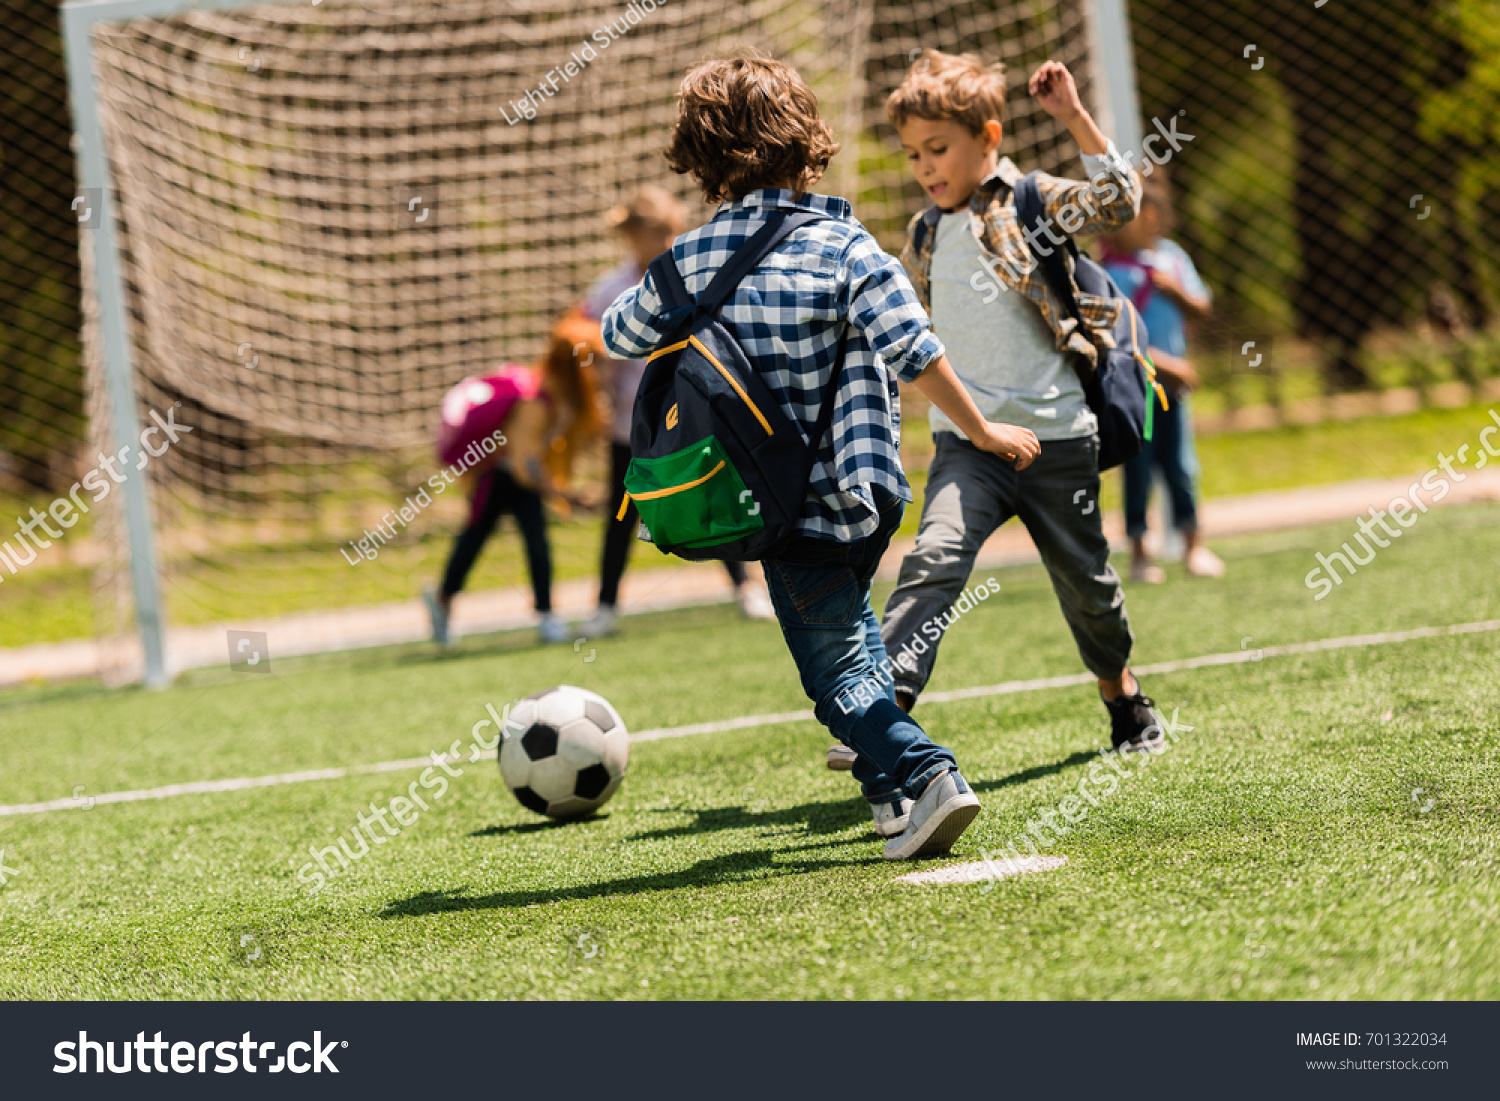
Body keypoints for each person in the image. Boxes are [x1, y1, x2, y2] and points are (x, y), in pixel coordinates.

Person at [601, 52, 1040, 859]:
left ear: (701, 157)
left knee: (833, 675)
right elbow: (915, 350)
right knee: (856, 631)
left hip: (775, 500)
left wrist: (687, 301)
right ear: (804, 142)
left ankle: (929, 770)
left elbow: (617, 333)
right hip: (869, 490)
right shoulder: (850, 245)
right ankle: (892, 797)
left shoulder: (694, 257)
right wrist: (981, 429)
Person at [856, 49, 1161, 787]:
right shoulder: (923, 235)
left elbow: (1120, 202)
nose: (927, 168)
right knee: (933, 559)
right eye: (914, 155)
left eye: (940, 149)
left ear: (987, 138)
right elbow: (914, 337)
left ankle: (1121, 694)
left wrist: (1074, 117)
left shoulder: (1030, 202)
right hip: (970, 447)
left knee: (1088, 589)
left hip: (1058, 439)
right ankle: (886, 715)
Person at [578, 185, 775, 639]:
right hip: (631, 426)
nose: (668, 241)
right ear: (634, 237)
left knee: (710, 497)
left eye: (672, 231)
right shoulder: (611, 289)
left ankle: (746, 587)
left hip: (691, 418)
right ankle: (605, 608)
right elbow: (589, 352)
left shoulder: (692, 275)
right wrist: (597, 402)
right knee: (621, 517)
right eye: (657, 233)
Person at [424, 314, 606, 647]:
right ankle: (443, 599)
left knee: (532, 544)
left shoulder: (561, 401)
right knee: (477, 542)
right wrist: (565, 494)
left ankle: (546, 615)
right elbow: (525, 466)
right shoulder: (536, 401)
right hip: (499, 479)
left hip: (519, 481)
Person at [1101, 169, 1224, 582]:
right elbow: (1116, 340)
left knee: (1181, 466)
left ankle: (1194, 545)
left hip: (1173, 393)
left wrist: (1175, 291)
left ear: (1150, 216)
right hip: (1134, 391)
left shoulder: (1173, 258)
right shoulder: (1109, 271)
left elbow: (1202, 307)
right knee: (1138, 468)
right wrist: (1166, 364)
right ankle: (1139, 552)